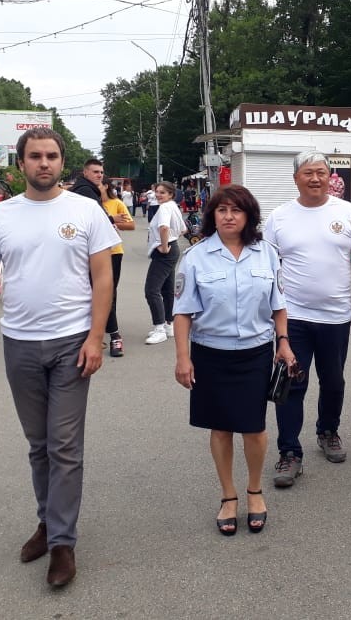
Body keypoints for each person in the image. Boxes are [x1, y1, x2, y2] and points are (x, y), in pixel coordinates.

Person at [0, 127, 119, 587]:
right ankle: (47, 522)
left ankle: (63, 544)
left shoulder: (86, 210)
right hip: (20, 343)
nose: (44, 163)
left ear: (61, 162)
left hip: (72, 341)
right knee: (39, 446)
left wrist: (96, 337)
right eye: (35, 156)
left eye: (52, 156)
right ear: (21, 165)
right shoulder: (0, 216)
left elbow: (103, 277)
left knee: (65, 447)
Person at [172, 185, 295, 535]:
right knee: (221, 427)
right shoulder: (195, 257)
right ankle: (228, 496)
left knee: (254, 428)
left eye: (236, 210)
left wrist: (283, 343)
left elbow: (279, 304)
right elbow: (182, 313)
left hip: (256, 352)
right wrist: (183, 358)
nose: (228, 216)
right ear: (212, 215)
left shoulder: (267, 254)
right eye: (222, 210)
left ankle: (255, 491)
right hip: (211, 353)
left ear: (248, 217)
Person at [263, 151, 351, 488]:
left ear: (331, 177)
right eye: (308, 172)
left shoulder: (346, 212)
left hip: (335, 317)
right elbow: (266, 267)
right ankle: (289, 453)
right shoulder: (280, 217)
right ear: (296, 177)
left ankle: (328, 431)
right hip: (293, 317)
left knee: (334, 381)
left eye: (322, 172)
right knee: (291, 384)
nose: (316, 178)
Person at [144, 181, 187, 345]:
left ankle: (159, 328)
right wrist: (172, 240)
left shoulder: (164, 208)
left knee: (151, 290)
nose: (158, 195)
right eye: (157, 191)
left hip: (165, 251)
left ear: (170, 194)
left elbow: (163, 227)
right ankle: (169, 324)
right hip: (173, 247)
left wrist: (163, 245)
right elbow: (183, 229)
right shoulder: (174, 207)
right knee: (167, 289)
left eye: (162, 192)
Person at [100, 179, 135, 357]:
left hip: (113, 252)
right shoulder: (89, 204)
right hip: (91, 254)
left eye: (98, 183)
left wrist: (111, 223)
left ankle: (115, 336)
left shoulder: (116, 203)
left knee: (109, 293)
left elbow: (131, 224)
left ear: (105, 186)